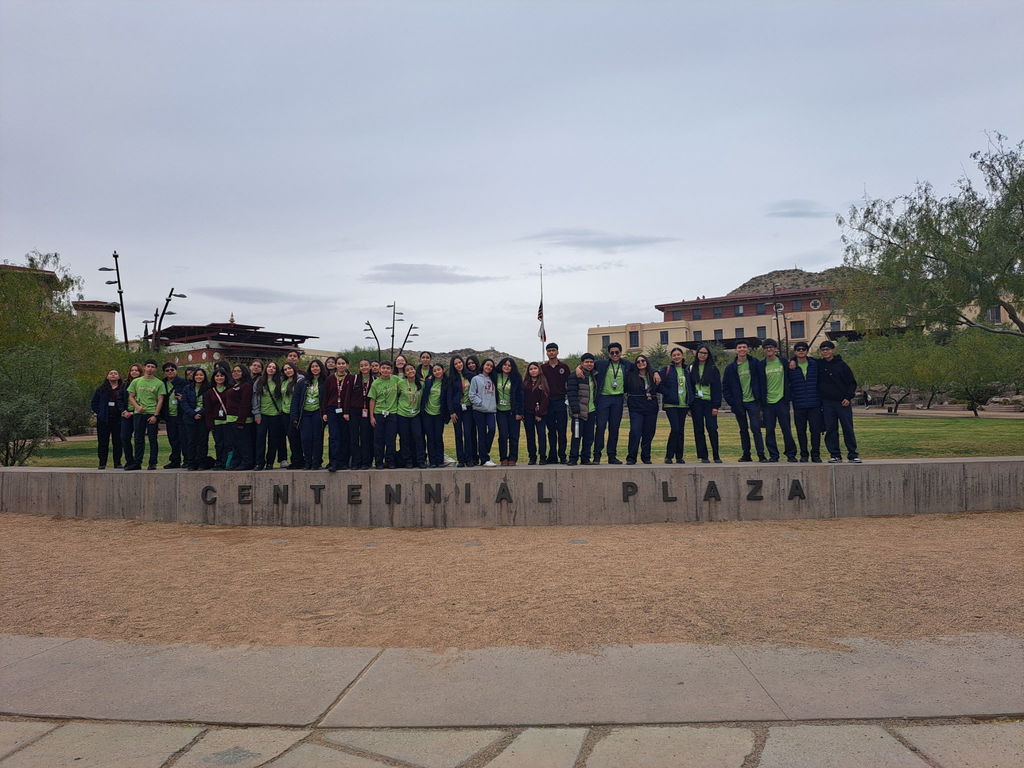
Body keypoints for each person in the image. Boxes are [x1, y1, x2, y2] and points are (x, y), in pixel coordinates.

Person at [722, 341, 767, 462]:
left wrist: (761, 399)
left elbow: (762, 381)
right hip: (739, 403)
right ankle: (746, 454)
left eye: (744, 347)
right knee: (743, 430)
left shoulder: (755, 363)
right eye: (739, 347)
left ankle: (761, 454)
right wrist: (732, 402)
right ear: (736, 350)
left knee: (756, 428)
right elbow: (725, 387)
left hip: (753, 401)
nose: (742, 349)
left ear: (748, 349)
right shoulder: (730, 368)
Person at [817, 340, 861, 463]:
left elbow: (852, 383)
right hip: (827, 403)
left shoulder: (842, 365)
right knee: (831, 429)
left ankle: (852, 454)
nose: (825, 352)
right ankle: (835, 454)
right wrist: (793, 359)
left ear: (833, 350)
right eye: (823, 350)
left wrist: (848, 397)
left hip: (842, 402)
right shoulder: (819, 364)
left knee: (847, 428)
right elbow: (802, 357)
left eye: (827, 349)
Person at [590, 342, 632, 464]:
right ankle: (597, 456)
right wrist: (578, 368)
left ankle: (612, 456)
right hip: (603, 398)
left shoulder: (626, 365)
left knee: (614, 428)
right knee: (600, 427)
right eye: (612, 353)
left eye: (617, 352)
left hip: (618, 399)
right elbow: (586, 364)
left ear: (620, 353)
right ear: (609, 354)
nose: (614, 354)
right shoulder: (601, 364)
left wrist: (655, 372)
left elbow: (643, 366)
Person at [761, 339, 798, 463]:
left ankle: (791, 454)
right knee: (769, 430)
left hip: (782, 401)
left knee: (786, 429)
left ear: (776, 349)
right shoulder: (761, 365)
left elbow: (798, 358)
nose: (769, 349)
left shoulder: (783, 362)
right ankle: (773, 455)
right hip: (768, 403)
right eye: (766, 347)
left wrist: (793, 359)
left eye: (771, 347)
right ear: (764, 350)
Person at [125, 360, 165, 471]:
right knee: (138, 439)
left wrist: (156, 415)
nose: (150, 368)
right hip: (139, 414)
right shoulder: (136, 381)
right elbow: (131, 396)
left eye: (152, 367)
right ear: (144, 367)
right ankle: (137, 462)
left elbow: (160, 400)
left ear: (155, 369)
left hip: (152, 413)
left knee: (152, 439)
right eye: (148, 366)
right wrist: (137, 407)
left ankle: (153, 463)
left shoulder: (159, 383)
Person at [787, 341, 823, 463]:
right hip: (799, 404)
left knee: (815, 431)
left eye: (803, 349)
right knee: (801, 431)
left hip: (814, 404)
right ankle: (804, 454)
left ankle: (816, 454)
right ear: (795, 352)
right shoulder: (790, 366)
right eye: (798, 349)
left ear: (807, 351)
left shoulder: (815, 364)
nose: (801, 351)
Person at [658, 347, 693, 464]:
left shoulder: (687, 371)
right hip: (671, 404)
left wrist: (690, 405)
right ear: (671, 357)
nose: (676, 357)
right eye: (674, 355)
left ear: (682, 356)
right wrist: (668, 393)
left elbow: (690, 388)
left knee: (681, 431)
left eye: (678, 354)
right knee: (675, 429)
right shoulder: (666, 369)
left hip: (683, 405)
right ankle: (668, 456)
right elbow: (658, 384)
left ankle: (679, 456)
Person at [689, 345, 722, 463]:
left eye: (705, 353)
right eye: (700, 352)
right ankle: (703, 456)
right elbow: (690, 387)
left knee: (712, 429)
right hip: (696, 403)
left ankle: (716, 455)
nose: (702, 355)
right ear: (697, 354)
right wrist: (689, 406)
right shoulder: (692, 368)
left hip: (709, 403)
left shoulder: (713, 368)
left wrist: (716, 406)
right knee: (698, 430)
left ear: (708, 355)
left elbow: (717, 388)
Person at [291, 360, 326, 470]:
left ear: (321, 368)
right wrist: (294, 416)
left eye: (317, 366)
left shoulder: (325, 381)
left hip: (317, 412)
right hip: (305, 413)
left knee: (317, 438)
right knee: (305, 438)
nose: (315, 368)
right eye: (312, 367)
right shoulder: (303, 382)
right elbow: (295, 400)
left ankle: (316, 462)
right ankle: (308, 462)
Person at [624, 354, 659, 464]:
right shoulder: (630, 375)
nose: (640, 363)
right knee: (635, 431)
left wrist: (655, 371)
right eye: (638, 361)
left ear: (647, 362)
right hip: (636, 408)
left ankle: (646, 456)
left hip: (651, 407)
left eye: (643, 360)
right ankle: (631, 457)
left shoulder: (653, 375)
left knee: (649, 433)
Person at [322, 356, 355, 472]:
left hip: (346, 412)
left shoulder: (351, 378)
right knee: (334, 436)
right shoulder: (330, 379)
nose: (341, 365)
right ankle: (333, 462)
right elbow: (325, 396)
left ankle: (344, 462)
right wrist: (324, 412)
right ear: (336, 365)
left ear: (347, 365)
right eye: (339, 363)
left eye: (343, 363)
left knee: (345, 436)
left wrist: (347, 411)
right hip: (332, 410)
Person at [253, 360, 287, 470]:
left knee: (273, 440)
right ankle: (259, 462)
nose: (271, 369)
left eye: (274, 367)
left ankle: (270, 462)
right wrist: (256, 413)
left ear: (276, 370)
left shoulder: (280, 381)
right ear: (266, 368)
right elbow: (255, 399)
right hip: (262, 415)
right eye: (269, 367)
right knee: (260, 439)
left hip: (276, 415)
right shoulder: (259, 381)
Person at [368, 361, 400, 468]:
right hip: (379, 414)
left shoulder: (396, 379)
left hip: (392, 414)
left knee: (391, 439)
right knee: (378, 440)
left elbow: (408, 382)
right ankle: (378, 462)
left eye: (388, 368)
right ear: (380, 370)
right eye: (383, 368)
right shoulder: (376, 383)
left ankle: (390, 461)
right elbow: (372, 400)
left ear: (391, 370)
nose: (385, 370)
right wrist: (372, 417)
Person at [566, 353, 597, 465]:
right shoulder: (575, 376)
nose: (589, 364)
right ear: (581, 363)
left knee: (589, 437)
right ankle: (573, 458)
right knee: (576, 436)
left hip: (591, 411)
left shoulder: (595, 375)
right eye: (586, 362)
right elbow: (571, 394)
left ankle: (585, 458)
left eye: (591, 362)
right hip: (578, 412)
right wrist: (575, 410)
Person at [541, 343, 569, 464]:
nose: (551, 352)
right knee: (551, 431)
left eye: (553, 350)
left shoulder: (564, 367)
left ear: (557, 352)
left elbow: (570, 382)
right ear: (547, 353)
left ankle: (562, 455)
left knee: (562, 430)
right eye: (549, 351)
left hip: (561, 401)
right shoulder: (543, 368)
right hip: (548, 402)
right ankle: (552, 456)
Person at [91, 369, 125, 469]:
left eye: (115, 373)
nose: (113, 375)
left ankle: (117, 463)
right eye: (111, 373)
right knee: (103, 442)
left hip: (118, 420)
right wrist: (100, 413)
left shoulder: (122, 389)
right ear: (107, 377)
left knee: (118, 442)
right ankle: (102, 463)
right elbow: (94, 403)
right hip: (104, 420)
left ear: (119, 377)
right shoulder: (101, 389)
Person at [395, 363, 427, 469]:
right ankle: (408, 461)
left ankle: (420, 460)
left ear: (415, 370)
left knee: (418, 437)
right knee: (405, 438)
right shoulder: (401, 383)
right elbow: (396, 396)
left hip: (415, 415)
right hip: (402, 414)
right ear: (404, 373)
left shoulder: (421, 384)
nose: (410, 371)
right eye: (407, 370)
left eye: (411, 369)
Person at [446, 355, 476, 467]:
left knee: (468, 434)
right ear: (453, 366)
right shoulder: (451, 378)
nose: (458, 365)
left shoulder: (471, 376)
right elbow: (449, 396)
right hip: (456, 409)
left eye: (460, 362)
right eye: (455, 363)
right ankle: (461, 460)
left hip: (468, 409)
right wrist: (451, 412)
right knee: (458, 434)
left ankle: (470, 459)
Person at [224, 364, 255, 470]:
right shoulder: (234, 385)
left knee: (244, 443)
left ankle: (247, 462)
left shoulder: (246, 386)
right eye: (233, 371)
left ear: (244, 373)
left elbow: (245, 404)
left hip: (242, 420)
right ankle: (236, 462)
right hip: (231, 419)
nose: (235, 373)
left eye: (238, 371)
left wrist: (241, 421)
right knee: (235, 443)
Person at [494, 357, 524, 465]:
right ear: (501, 365)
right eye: (505, 365)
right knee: (503, 435)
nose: (507, 367)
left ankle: (513, 458)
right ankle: (503, 458)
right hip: (500, 411)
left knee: (514, 435)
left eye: (509, 365)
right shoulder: (495, 376)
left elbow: (521, 396)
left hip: (513, 411)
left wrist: (519, 412)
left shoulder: (516, 378)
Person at [468, 358, 497, 467]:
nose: (489, 367)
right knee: (482, 434)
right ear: (483, 365)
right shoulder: (476, 379)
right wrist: (480, 403)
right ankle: (484, 459)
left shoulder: (493, 379)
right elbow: (472, 394)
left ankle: (484, 451)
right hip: (479, 410)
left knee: (492, 429)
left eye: (491, 366)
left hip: (491, 410)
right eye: (487, 365)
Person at [159, 362, 188, 469]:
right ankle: (175, 460)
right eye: (167, 370)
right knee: (173, 439)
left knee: (184, 439)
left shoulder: (183, 382)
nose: (170, 372)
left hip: (181, 414)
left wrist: (183, 398)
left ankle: (187, 460)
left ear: (176, 371)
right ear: (164, 372)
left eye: (172, 369)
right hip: (169, 415)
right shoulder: (162, 383)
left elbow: (189, 397)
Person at [348, 359, 375, 470]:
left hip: (367, 411)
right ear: (359, 368)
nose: (364, 367)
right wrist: (346, 411)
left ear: (370, 367)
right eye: (361, 365)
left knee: (365, 437)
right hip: (354, 411)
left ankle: (366, 462)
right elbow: (347, 396)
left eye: (366, 365)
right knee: (354, 437)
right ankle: (355, 462)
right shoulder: (354, 379)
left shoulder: (374, 380)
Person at [181, 367, 210, 470]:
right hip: (190, 418)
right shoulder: (187, 388)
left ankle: (202, 462)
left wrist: (200, 413)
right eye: (197, 375)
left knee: (202, 441)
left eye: (201, 375)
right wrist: (193, 413)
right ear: (193, 376)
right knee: (191, 441)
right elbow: (184, 403)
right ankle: (191, 463)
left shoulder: (209, 388)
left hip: (204, 418)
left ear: (204, 376)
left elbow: (210, 404)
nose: (199, 377)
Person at [522, 362, 549, 465]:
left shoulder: (543, 382)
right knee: (530, 436)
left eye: (535, 368)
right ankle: (532, 457)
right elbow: (523, 398)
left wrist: (539, 414)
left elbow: (545, 399)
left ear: (539, 370)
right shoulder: (525, 383)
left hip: (540, 414)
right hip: (528, 413)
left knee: (541, 435)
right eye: (531, 369)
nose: (533, 370)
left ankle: (542, 457)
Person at [421, 362, 448, 468]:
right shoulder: (428, 382)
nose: (437, 372)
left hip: (439, 414)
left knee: (438, 437)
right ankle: (432, 461)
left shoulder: (446, 383)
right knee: (430, 438)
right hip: (428, 413)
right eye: (435, 370)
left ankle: (440, 460)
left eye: (439, 370)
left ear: (443, 370)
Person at [204, 368, 231, 470]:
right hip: (216, 422)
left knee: (228, 443)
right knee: (219, 444)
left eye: (221, 376)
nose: (219, 378)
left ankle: (227, 463)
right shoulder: (210, 392)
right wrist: (210, 424)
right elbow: (208, 409)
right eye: (217, 376)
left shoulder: (230, 389)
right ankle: (219, 462)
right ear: (214, 378)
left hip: (229, 421)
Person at [280, 362, 304, 469]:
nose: (287, 371)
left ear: (294, 368)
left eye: (289, 368)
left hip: (295, 413)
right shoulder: (284, 382)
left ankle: (299, 460)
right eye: (285, 369)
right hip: (285, 412)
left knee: (296, 437)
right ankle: (295, 459)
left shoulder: (299, 381)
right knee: (291, 438)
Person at [119, 363, 143, 462]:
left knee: (138, 439)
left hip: (138, 414)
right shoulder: (124, 384)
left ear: (140, 372)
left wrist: (135, 411)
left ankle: (138, 461)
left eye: (136, 370)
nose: (134, 372)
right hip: (126, 415)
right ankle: (129, 460)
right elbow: (119, 399)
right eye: (132, 370)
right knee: (124, 437)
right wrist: (124, 411)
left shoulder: (143, 384)